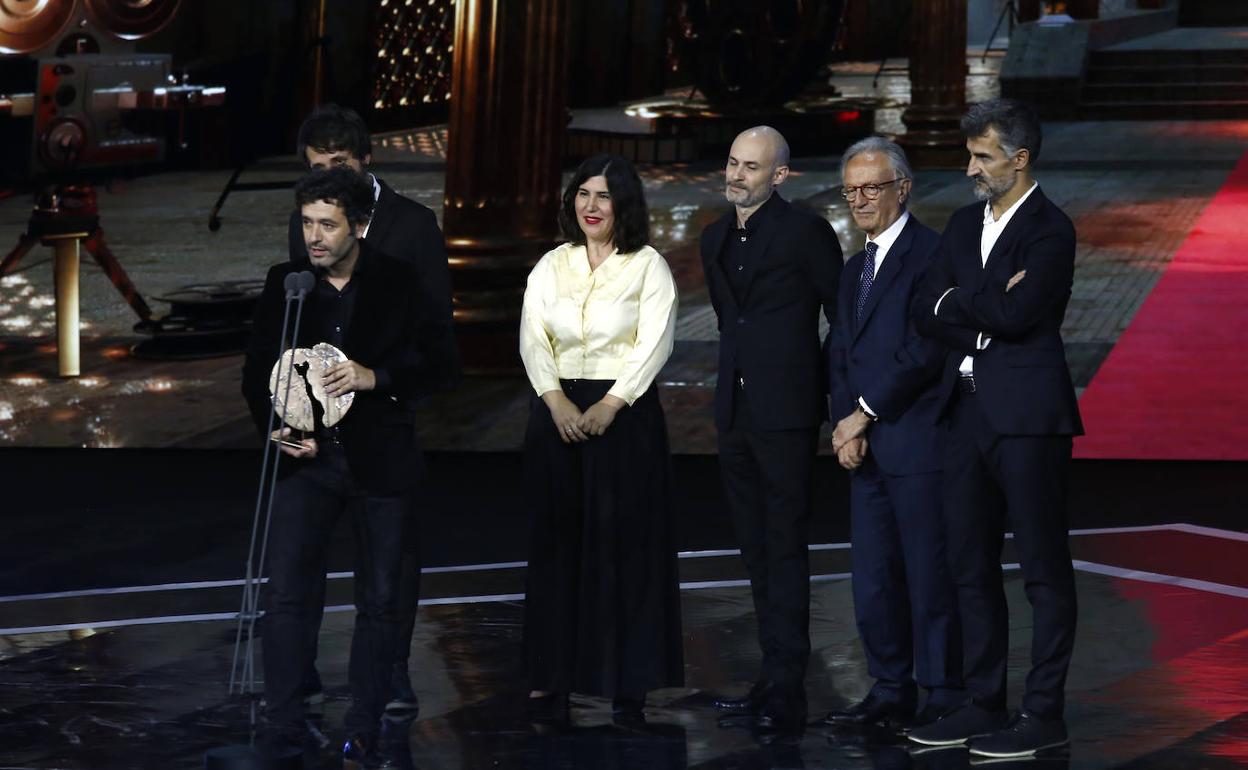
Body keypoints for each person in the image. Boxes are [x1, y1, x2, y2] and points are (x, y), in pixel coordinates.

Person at [241, 167, 447, 763]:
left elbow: (439, 366)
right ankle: (283, 722)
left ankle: (365, 722)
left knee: (381, 600)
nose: (314, 236)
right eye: (306, 223)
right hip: (306, 464)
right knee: (285, 596)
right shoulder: (287, 284)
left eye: (327, 224)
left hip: (379, 462)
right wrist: (281, 429)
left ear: (358, 225)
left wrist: (373, 376)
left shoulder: (398, 283)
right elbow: (258, 374)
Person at [908, 99, 1082, 758]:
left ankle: (1044, 712)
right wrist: (979, 306)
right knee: (970, 565)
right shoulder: (959, 222)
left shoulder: (1051, 231)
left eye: (983, 156)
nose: (970, 167)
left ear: (1020, 158)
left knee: (1041, 569)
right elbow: (926, 306)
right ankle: (984, 702)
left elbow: (1018, 317)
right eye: (971, 154)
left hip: (1029, 418)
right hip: (966, 413)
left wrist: (963, 303)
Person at [288, 104, 460, 716]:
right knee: (297, 570)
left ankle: (390, 675)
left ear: (366, 162)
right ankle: (297, 682)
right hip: (316, 433)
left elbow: (437, 334)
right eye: (315, 168)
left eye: (338, 166)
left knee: (386, 574)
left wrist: (381, 382)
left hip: (383, 420)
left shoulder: (413, 226)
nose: (327, 178)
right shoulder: (307, 221)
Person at [518, 153, 683, 723]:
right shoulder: (551, 265)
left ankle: (626, 678)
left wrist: (612, 403)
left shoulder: (648, 266)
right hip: (557, 413)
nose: (591, 206)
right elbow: (533, 336)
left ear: (625, 206)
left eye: (604, 196)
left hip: (625, 417)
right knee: (556, 545)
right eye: (583, 194)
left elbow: (655, 343)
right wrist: (555, 398)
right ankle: (550, 670)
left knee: (623, 548)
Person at [820, 136, 963, 731]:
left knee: (928, 575)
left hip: (918, 439)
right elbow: (841, 353)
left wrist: (864, 413)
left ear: (902, 189)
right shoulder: (854, 267)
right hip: (866, 447)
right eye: (851, 189)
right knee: (873, 577)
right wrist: (842, 424)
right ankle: (888, 687)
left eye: (871, 187)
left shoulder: (932, 254)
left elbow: (923, 351)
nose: (859, 199)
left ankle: (943, 693)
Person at [701, 126, 842, 731]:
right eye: (733, 163)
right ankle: (769, 674)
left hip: (786, 416)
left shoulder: (806, 232)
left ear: (779, 175)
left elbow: (843, 319)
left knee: (784, 547)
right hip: (733, 416)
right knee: (755, 549)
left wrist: (840, 407)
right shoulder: (712, 238)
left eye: (751, 167)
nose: (736, 175)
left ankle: (789, 684)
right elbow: (730, 322)